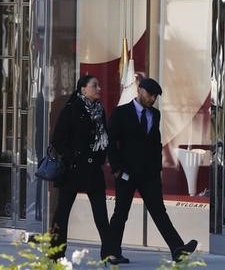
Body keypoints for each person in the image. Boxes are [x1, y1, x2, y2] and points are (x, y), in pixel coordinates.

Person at [106, 77, 198, 264]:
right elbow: (111, 142)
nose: (152, 99)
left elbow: (155, 143)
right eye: (150, 94)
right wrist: (116, 169)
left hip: (149, 174)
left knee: (159, 211)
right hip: (126, 172)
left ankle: (177, 249)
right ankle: (112, 252)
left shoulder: (154, 115)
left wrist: (158, 168)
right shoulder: (120, 113)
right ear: (140, 90)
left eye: (155, 96)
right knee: (121, 213)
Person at [49, 75, 110, 261]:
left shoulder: (99, 110)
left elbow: (104, 137)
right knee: (62, 213)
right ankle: (55, 253)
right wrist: (73, 157)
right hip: (73, 170)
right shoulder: (71, 109)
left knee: (101, 214)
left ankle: (109, 253)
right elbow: (57, 141)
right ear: (83, 89)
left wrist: (100, 157)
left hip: (93, 170)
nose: (98, 88)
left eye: (98, 85)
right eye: (94, 85)